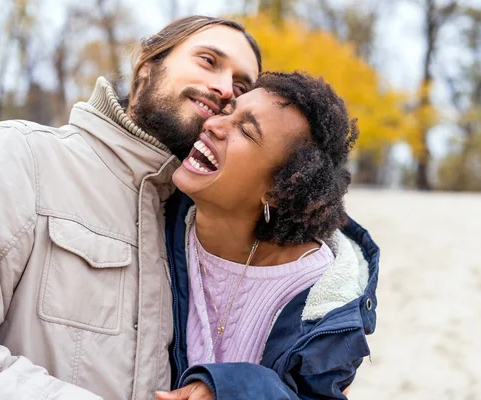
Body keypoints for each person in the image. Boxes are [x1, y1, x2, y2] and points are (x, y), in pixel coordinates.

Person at [0, 16, 260, 399]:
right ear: (146, 64)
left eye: (241, 87)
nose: (225, 89)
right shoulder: (24, 157)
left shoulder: (200, 225)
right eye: (208, 61)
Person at [156, 71, 379, 400]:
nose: (214, 125)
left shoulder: (323, 303)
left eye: (245, 130)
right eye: (227, 111)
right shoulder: (155, 221)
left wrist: (231, 390)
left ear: (279, 190)